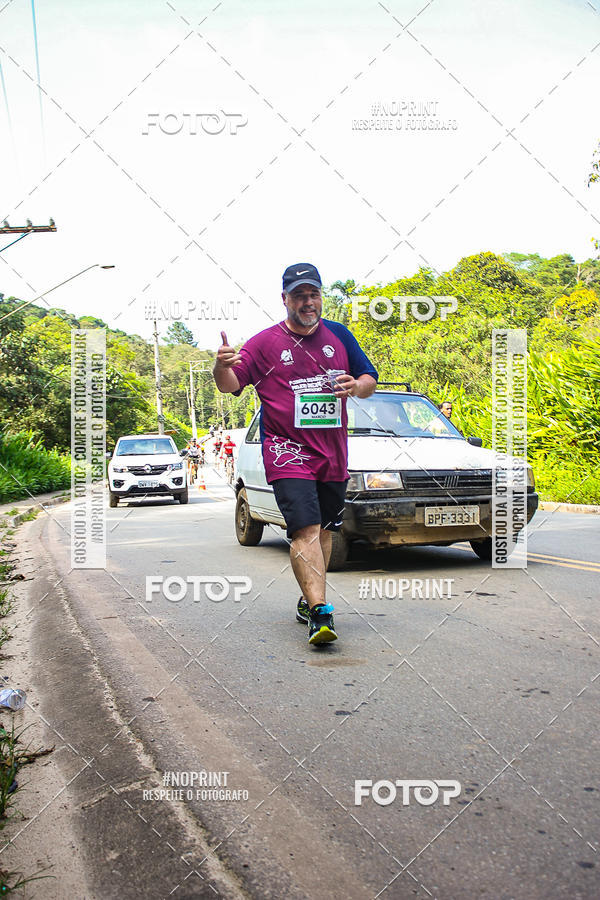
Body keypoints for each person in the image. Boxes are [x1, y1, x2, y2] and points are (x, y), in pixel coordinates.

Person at [213, 262, 377, 645]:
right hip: (287, 452)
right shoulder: (264, 343)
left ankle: (308, 599)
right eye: (299, 295)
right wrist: (220, 366)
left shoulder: (339, 335)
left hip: (332, 454)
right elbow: (229, 384)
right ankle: (321, 612)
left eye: (313, 294)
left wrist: (357, 387)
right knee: (305, 529)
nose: (308, 302)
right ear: (284, 299)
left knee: (324, 531)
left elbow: (369, 378)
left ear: (321, 297)